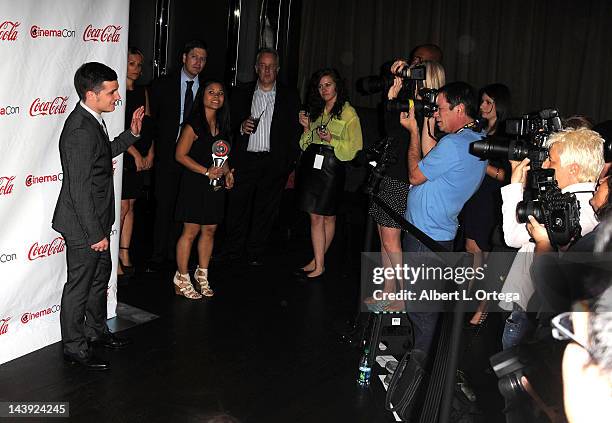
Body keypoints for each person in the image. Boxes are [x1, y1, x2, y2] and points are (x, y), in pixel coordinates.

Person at [52, 62, 144, 370]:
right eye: (112, 91)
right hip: (83, 226)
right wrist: (95, 236)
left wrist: (131, 134)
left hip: (96, 223)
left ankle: (95, 331)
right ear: (92, 94)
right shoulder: (79, 129)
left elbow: (103, 154)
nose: (117, 97)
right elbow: (78, 191)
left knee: (97, 281)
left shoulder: (93, 120)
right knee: (79, 286)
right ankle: (74, 348)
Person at [400, 81, 487, 355]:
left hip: (425, 236)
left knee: (421, 311)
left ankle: (418, 372)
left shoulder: (454, 144)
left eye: (440, 109)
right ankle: (420, 362)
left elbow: (415, 174)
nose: (436, 113)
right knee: (423, 305)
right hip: (437, 233)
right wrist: (427, 122)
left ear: (459, 109)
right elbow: (432, 155)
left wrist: (414, 132)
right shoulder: (475, 139)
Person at [500, 128, 604, 349]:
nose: (545, 165)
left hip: (535, 313)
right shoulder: (591, 206)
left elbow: (512, 236)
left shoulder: (568, 210)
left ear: (573, 169)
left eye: (552, 161)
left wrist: (515, 185)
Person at [366, 60, 445, 311]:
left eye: (417, 71)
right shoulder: (410, 99)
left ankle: (404, 295)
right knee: (384, 238)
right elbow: (390, 132)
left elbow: (423, 148)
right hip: (389, 173)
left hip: (402, 178)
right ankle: (388, 290)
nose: (412, 74)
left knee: (392, 241)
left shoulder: (431, 108)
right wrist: (390, 97)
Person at [220, 47, 301, 266]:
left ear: (278, 69)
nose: (266, 70)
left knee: (265, 210)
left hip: (274, 162)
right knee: (237, 207)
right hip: (244, 160)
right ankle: (232, 250)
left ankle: (254, 252)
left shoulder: (290, 96)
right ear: (256, 68)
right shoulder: (240, 93)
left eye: (271, 66)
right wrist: (240, 127)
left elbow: (296, 131)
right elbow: (226, 127)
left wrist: (289, 162)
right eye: (262, 66)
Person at [296, 68, 363, 279]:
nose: (324, 89)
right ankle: (318, 261)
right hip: (313, 166)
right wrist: (306, 128)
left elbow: (355, 147)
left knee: (325, 217)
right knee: (316, 216)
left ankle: (319, 264)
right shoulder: (317, 109)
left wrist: (331, 140)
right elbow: (304, 144)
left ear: (337, 86)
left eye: (328, 84)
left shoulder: (348, 112)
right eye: (320, 86)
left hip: (333, 167)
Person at [148, 40, 208, 272]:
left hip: (195, 158)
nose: (198, 62)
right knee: (164, 205)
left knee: (188, 208)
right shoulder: (162, 85)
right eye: (194, 57)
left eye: (203, 59)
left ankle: (179, 256)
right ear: (184, 58)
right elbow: (152, 123)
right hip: (167, 155)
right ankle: (158, 254)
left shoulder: (208, 89)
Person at [173, 81, 234, 299]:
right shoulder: (193, 124)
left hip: (213, 187)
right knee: (190, 232)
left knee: (209, 230)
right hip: (194, 184)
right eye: (211, 92)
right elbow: (179, 155)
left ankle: (202, 275)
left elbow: (222, 157)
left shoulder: (222, 124)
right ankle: (181, 277)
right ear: (202, 96)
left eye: (220, 93)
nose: (216, 96)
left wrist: (227, 173)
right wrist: (205, 172)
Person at [118, 47, 153, 277]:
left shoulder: (143, 91)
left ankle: (124, 252)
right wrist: (136, 154)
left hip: (141, 154)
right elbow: (116, 131)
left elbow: (149, 125)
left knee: (131, 206)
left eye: (139, 65)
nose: (137, 69)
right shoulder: (117, 93)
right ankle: (112, 258)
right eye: (132, 64)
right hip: (124, 154)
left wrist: (150, 153)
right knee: (121, 207)